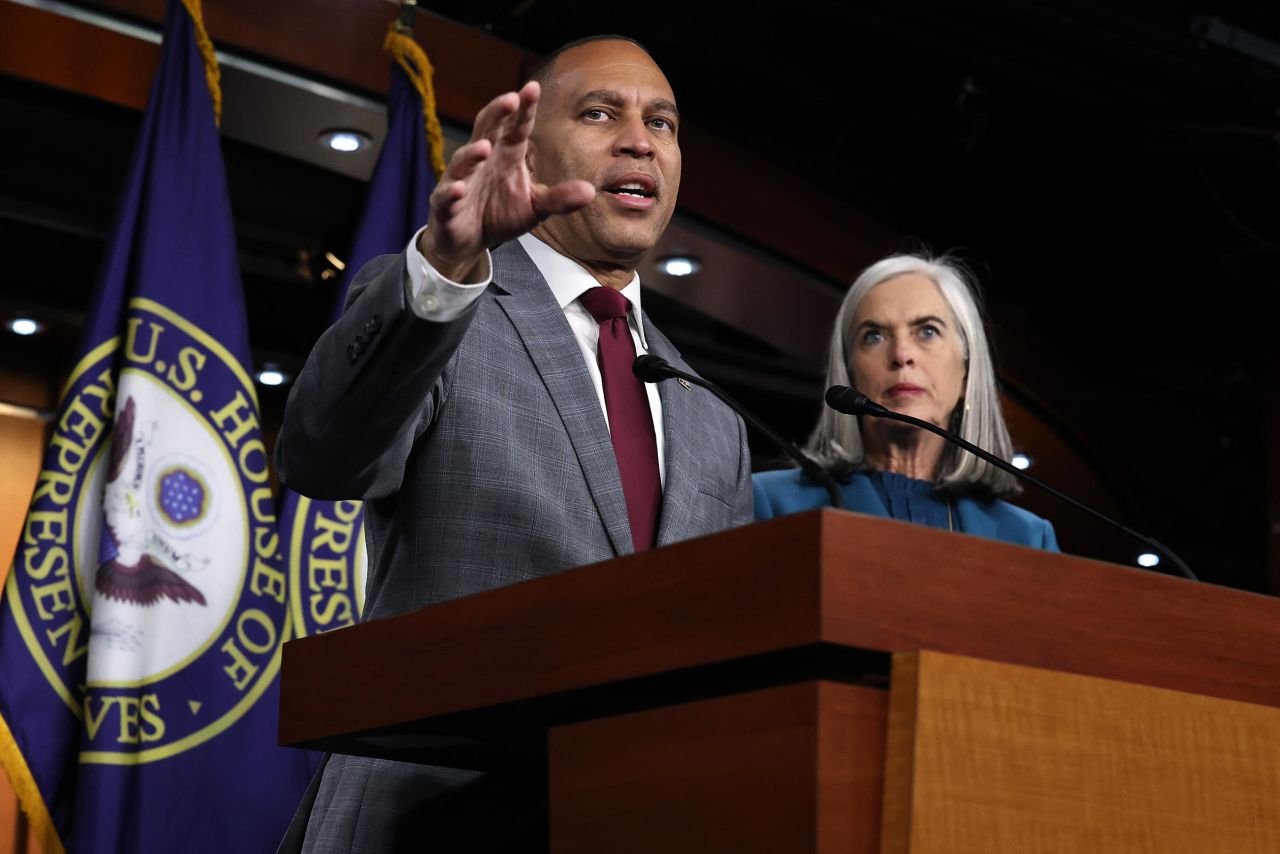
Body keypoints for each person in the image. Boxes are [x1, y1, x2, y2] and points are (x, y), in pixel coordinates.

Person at [274, 36, 752, 853]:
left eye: (662, 124)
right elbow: (322, 456)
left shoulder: (713, 415)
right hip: (426, 819)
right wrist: (446, 268)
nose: (640, 140)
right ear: (527, 150)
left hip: (634, 816)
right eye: (601, 113)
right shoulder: (444, 307)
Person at [752, 254, 1058, 550]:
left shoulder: (1029, 539)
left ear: (966, 371)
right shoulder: (770, 503)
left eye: (927, 331)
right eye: (874, 336)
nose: (901, 354)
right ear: (849, 372)